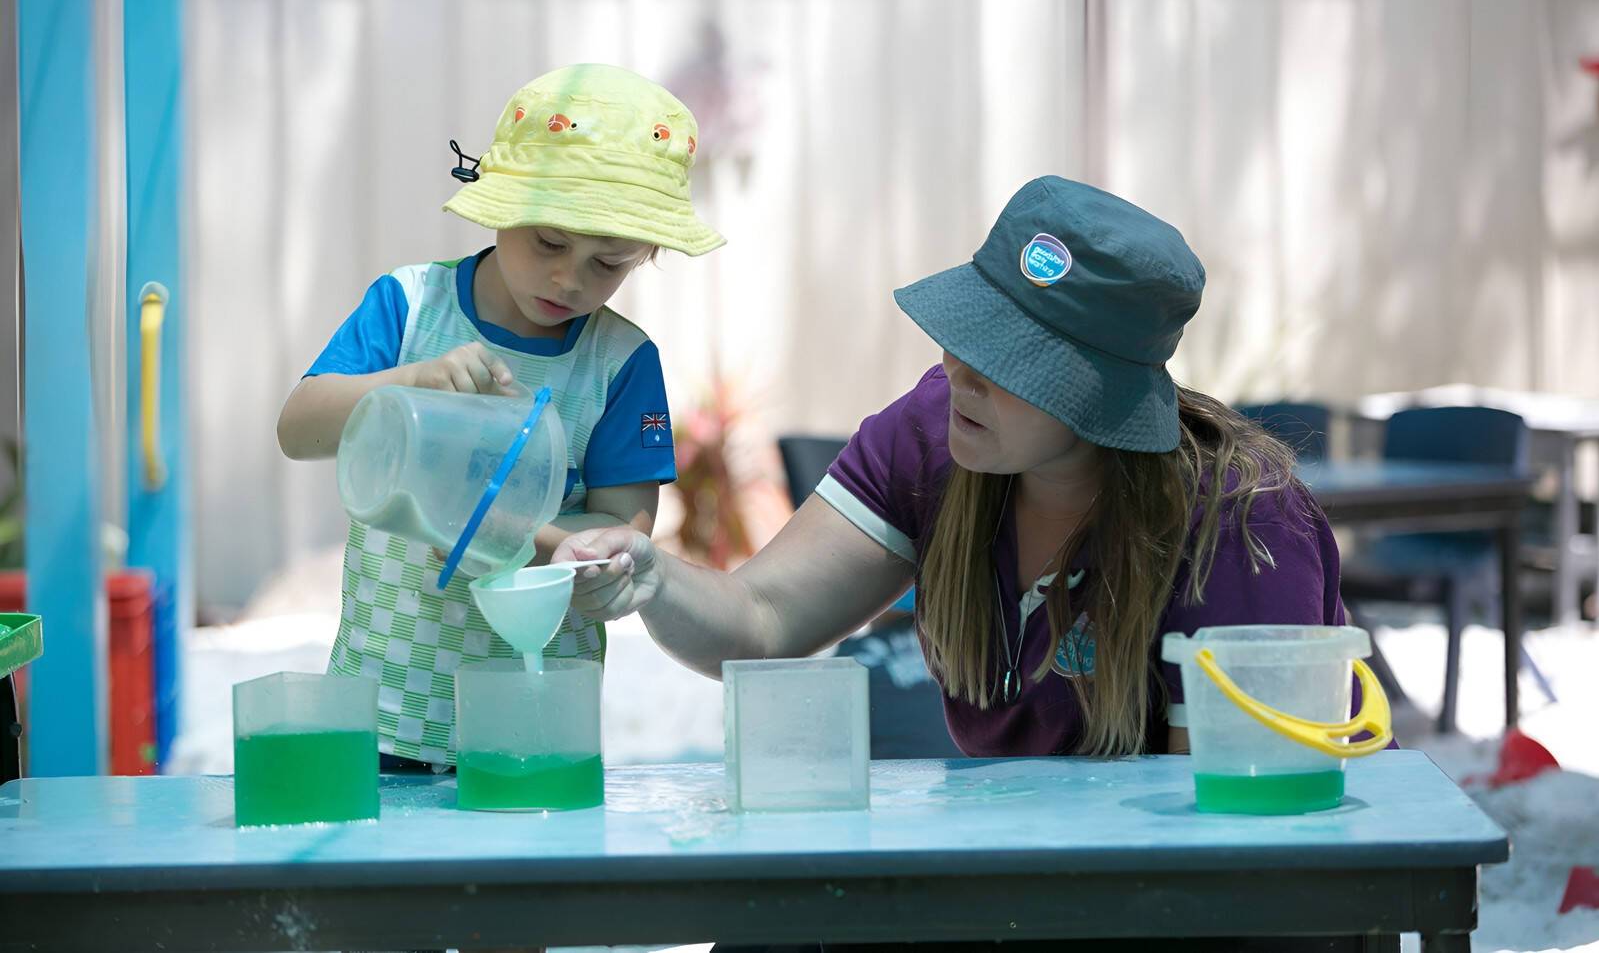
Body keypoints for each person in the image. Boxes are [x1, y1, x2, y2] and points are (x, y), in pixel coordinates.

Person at [557, 174, 1355, 764]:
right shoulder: (937, 428)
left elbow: (1240, 833)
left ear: (1101, 395)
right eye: (966, 329)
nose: (962, 372)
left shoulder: (1243, 520)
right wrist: (652, 577)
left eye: (1011, 360)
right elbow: (764, 625)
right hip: (1020, 870)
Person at [277, 63, 723, 769]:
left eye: (607, 263)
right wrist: (409, 384)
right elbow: (297, 428)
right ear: (498, 205)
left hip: (532, 722)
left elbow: (621, 532)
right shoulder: (410, 307)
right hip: (383, 707)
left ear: (645, 256)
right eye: (548, 243)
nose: (569, 280)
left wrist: (509, 530)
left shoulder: (620, 363)